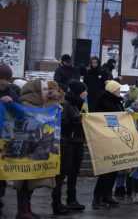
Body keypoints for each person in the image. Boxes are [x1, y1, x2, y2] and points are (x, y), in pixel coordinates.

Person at [16, 80, 64, 219]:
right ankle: (22, 211)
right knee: (23, 183)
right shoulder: (25, 106)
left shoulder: (38, 105)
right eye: (43, 89)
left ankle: (27, 209)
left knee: (30, 183)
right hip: (25, 151)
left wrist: (55, 108)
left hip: (35, 149)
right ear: (35, 91)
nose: (47, 92)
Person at [52, 81, 88, 214]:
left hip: (77, 141)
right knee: (62, 174)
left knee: (74, 173)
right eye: (84, 91)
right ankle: (57, 203)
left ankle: (71, 200)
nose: (86, 93)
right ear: (79, 91)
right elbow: (63, 122)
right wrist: (77, 120)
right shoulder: (66, 104)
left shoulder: (78, 104)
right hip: (67, 142)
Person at [92, 80, 124, 209]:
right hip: (106, 139)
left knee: (114, 170)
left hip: (115, 138)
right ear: (112, 91)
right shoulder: (104, 102)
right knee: (106, 170)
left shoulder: (116, 101)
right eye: (117, 90)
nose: (119, 92)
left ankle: (107, 195)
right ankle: (97, 198)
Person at [0, 64, 19, 218]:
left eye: (7, 80)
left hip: (6, 137)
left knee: (2, 170)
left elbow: (20, 111)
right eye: (3, 79)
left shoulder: (12, 92)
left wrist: (11, 102)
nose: (5, 83)